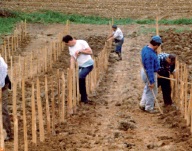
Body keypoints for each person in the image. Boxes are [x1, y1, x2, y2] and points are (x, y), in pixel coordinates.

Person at [62, 35, 94, 104]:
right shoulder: (70, 47)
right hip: (80, 66)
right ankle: (75, 96)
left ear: (70, 41)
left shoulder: (82, 42)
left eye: (67, 43)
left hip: (88, 65)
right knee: (76, 80)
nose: (66, 45)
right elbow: (72, 57)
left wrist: (81, 51)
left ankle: (84, 98)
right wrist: (71, 67)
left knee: (80, 78)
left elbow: (90, 52)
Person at [139, 35, 161, 113]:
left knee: (147, 89)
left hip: (144, 71)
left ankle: (143, 104)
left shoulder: (145, 48)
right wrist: (152, 81)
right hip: (149, 73)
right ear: (157, 45)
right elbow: (150, 69)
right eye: (158, 46)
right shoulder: (150, 55)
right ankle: (149, 107)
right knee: (152, 90)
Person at [0, 56, 12, 140]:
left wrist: (0, 85)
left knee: (3, 108)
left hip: (3, 84)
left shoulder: (1, 62)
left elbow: (3, 69)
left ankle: (7, 133)